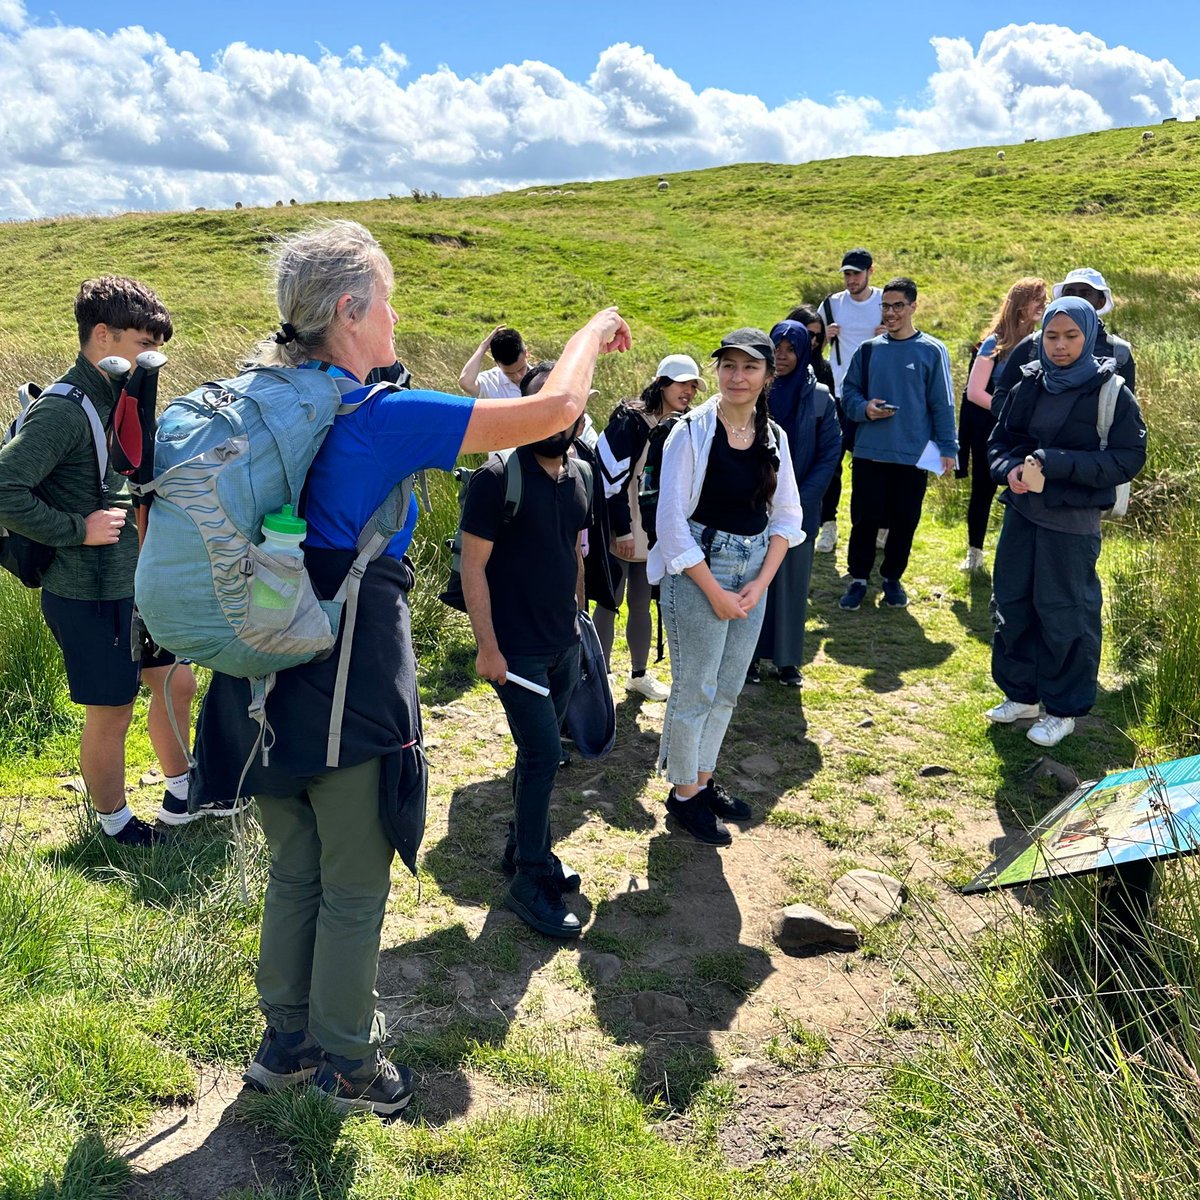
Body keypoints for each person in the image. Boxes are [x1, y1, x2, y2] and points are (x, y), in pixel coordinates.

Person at [189, 220, 630, 1115]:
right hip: (346, 678)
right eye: (388, 304)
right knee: (355, 882)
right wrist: (593, 327)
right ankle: (350, 1065)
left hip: (257, 663)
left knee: (295, 868)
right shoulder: (376, 418)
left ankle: (285, 1044)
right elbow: (556, 411)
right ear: (351, 312)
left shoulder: (261, 397)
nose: (397, 320)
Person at [0, 276, 205, 846]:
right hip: (87, 591)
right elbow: (4, 487)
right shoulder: (63, 410)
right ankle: (114, 825)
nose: (154, 357)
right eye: (144, 344)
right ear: (102, 335)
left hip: (140, 581)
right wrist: (77, 530)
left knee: (176, 683)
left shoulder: (122, 396)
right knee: (112, 711)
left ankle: (184, 792)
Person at [648, 328, 804, 843]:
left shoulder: (773, 437)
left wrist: (760, 583)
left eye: (750, 367)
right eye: (728, 365)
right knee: (696, 688)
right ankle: (683, 795)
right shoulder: (691, 431)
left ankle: (702, 778)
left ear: (768, 375)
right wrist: (714, 592)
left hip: (752, 572)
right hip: (699, 569)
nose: (737, 377)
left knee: (729, 689)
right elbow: (671, 525)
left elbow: (787, 517)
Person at [460, 379, 590, 940]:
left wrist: (581, 626)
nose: (556, 419)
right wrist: (488, 647)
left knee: (537, 755)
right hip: (515, 653)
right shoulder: (496, 479)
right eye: (544, 405)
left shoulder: (580, 474)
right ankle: (530, 878)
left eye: (566, 407)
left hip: (564, 644)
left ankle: (521, 847)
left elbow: (573, 555)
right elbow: (472, 566)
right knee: (543, 756)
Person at [985, 296, 1146, 748]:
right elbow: (1000, 443)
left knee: (1065, 613)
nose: (1060, 346)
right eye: (1052, 336)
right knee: (1012, 603)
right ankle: (1021, 695)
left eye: (1071, 336)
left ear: (1089, 336)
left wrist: (1055, 462)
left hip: (1072, 522)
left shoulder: (1112, 392)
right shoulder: (1029, 383)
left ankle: (1062, 710)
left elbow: (1128, 459)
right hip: (1022, 514)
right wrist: (1010, 471)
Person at [838, 277, 957, 611]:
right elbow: (848, 394)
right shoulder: (868, 350)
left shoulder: (932, 350)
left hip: (913, 455)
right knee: (864, 519)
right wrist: (865, 409)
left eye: (898, 306)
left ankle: (892, 578)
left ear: (913, 307)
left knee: (905, 521)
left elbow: (943, 403)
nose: (890, 313)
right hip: (870, 453)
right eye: (886, 306)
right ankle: (858, 579)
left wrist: (949, 447)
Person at [594, 354, 703, 700]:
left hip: (655, 531)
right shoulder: (629, 420)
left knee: (641, 601)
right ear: (662, 384)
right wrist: (623, 529)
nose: (688, 391)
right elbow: (609, 479)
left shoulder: (685, 425)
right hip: (622, 527)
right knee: (609, 601)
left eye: (693, 386)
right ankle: (599, 676)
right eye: (681, 384)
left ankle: (638, 674)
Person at [748, 320, 840, 694]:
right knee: (753, 579)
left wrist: (797, 500)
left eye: (791, 349)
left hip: (801, 508)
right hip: (753, 505)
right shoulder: (754, 392)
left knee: (792, 582)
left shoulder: (819, 397)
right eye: (777, 348)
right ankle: (750, 656)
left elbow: (830, 454)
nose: (783, 356)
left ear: (805, 352)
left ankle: (788, 661)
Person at [955, 278, 1048, 572]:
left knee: (1028, 488)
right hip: (992, 430)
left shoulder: (1045, 341)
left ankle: (1022, 557)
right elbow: (974, 392)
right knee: (983, 490)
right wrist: (1011, 412)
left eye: (1044, 299)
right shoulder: (994, 343)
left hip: (1031, 434)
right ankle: (975, 552)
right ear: (1020, 304)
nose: (1043, 305)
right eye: (1037, 299)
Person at [813, 249, 885, 554]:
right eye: (847, 274)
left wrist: (889, 334)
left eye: (856, 273)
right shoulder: (831, 304)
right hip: (837, 396)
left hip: (871, 396)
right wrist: (824, 338)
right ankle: (828, 526)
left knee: (872, 469)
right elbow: (811, 345)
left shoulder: (885, 302)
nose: (851, 279)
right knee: (830, 465)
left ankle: (878, 527)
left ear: (870, 271)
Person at [991, 267, 1136, 412]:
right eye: (1069, 293)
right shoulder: (1033, 344)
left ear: (1100, 302)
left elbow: (1125, 408)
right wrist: (1031, 418)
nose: (1076, 299)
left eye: (1085, 294)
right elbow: (1000, 399)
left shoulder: (1118, 352)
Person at [459, 324, 529, 398]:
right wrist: (483, 347)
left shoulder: (538, 377)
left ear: (527, 353)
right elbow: (466, 383)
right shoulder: (490, 382)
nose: (518, 377)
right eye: (509, 373)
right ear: (496, 363)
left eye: (521, 369)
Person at [786, 305, 836, 395]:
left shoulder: (824, 370)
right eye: (809, 334)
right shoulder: (777, 362)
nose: (813, 342)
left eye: (819, 337)